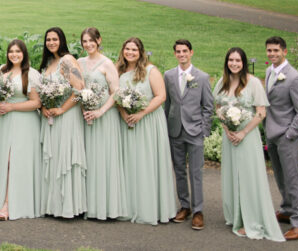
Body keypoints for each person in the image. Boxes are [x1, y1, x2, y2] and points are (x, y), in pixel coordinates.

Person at [213, 47, 285, 242]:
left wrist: (243, 132)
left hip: (247, 136)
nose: (234, 64)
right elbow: (218, 107)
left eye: (238, 60)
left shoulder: (253, 83)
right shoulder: (222, 82)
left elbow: (261, 112)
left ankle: (251, 220)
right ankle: (235, 215)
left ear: (244, 63)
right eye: (231, 60)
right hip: (230, 138)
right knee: (232, 175)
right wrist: (228, 130)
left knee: (248, 178)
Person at [115, 37, 175, 225]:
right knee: (130, 163)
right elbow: (115, 96)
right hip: (128, 122)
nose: (130, 52)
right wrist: (124, 113)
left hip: (148, 122)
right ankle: (131, 206)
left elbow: (161, 96)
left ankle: (151, 207)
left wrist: (141, 113)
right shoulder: (119, 71)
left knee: (147, 161)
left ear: (141, 52)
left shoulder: (151, 70)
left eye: (134, 49)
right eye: (127, 49)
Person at [78, 27, 129, 221]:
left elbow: (115, 92)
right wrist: (83, 107)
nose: (88, 44)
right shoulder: (80, 62)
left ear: (99, 40)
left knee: (102, 159)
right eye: (85, 41)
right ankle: (87, 205)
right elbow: (77, 89)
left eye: (91, 40)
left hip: (104, 118)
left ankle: (105, 207)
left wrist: (100, 111)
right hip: (85, 116)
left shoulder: (107, 64)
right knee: (88, 160)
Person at [163, 38, 214, 230]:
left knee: (196, 172)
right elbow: (168, 105)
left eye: (185, 51)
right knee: (179, 171)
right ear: (175, 54)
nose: (182, 54)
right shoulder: (168, 76)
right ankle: (184, 206)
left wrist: (203, 130)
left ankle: (198, 210)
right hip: (175, 130)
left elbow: (208, 107)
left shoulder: (201, 77)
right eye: (178, 51)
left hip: (194, 132)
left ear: (191, 53)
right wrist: (167, 128)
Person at [0, 39, 43, 221]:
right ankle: (2, 200)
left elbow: (36, 102)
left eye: (18, 52)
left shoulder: (31, 74)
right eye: (11, 51)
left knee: (15, 161)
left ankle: (9, 204)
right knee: (5, 160)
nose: (14, 54)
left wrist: (12, 107)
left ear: (24, 54)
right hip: (4, 121)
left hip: (24, 121)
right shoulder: (2, 71)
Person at [38, 27, 86, 220]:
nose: (51, 43)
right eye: (48, 40)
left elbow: (80, 90)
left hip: (66, 116)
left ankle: (69, 206)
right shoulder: (49, 63)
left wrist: (62, 109)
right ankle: (53, 205)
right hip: (51, 116)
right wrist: (44, 108)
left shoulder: (67, 60)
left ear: (62, 40)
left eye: (54, 39)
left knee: (65, 158)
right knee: (54, 158)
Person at [265, 36, 298, 241]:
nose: (272, 54)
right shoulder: (268, 72)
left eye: (276, 50)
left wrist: (290, 134)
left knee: (292, 179)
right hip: (271, 134)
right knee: (280, 176)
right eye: (269, 50)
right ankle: (287, 208)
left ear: (285, 51)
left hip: (286, 136)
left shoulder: (294, 78)